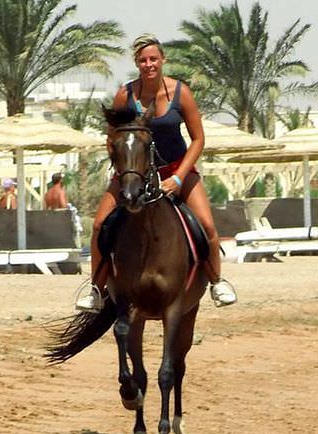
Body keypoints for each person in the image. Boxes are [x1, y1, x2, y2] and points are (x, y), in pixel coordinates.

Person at [76, 33, 237, 312]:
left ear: (163, 59)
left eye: (153, 59)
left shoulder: (180, 92)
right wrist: (123, 169)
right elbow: (112, 137)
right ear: (136, 63)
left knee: (208, 226)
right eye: (142, 60)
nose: (148, 64)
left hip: (177, 169)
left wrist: (177, 178)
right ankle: (96, 289)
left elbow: (198, 139)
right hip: (134, 172)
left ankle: (216, 282)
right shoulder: (124, 95)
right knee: (100, 224)